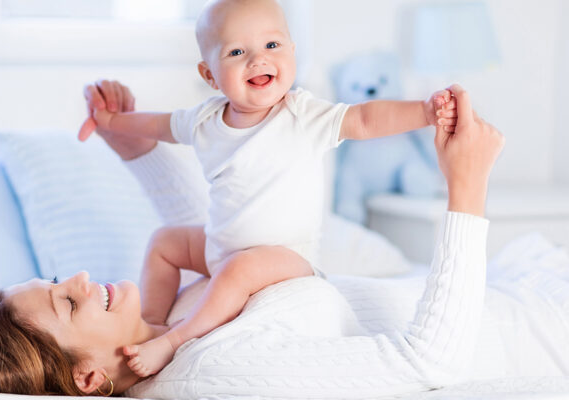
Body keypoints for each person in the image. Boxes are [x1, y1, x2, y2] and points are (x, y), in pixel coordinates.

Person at [0, 81, 569, 399]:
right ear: (86, 377)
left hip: (524, 287)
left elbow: (221, 234)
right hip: (545, 327)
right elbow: (429, 364)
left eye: (59, 283)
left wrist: (133, 145)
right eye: (67, 304)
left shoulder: (158, 337)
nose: (80, 281)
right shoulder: (215, 373)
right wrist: (465, 190)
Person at [77, 0, 458, 377]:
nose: (257, 59)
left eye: (272, 46)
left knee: (239, 269)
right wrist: (113, 120)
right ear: (209, 74)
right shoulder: (203, 120)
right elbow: (156, 126)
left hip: (285, 258)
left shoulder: (302, 115)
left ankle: (175, 340)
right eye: (237, 51)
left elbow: (364, 119)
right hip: (218, 246)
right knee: (164, 242)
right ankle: (151, 323)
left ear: (292, 52)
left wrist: (424, 112)